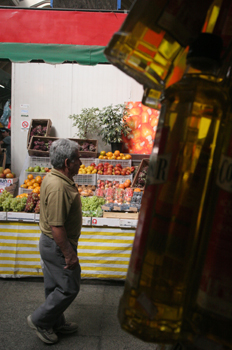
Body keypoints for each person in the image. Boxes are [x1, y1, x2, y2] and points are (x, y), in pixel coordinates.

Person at [27, 138, 82, 344]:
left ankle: (55, 323)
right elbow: (57, 227)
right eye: (78, 159)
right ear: (67, 163)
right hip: (57, 245)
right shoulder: (59, 187)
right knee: (69, 286)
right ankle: (40, 321)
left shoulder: (53, 177)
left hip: (50, 244)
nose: (81, 163)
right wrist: (69, 253)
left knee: (53, 286)